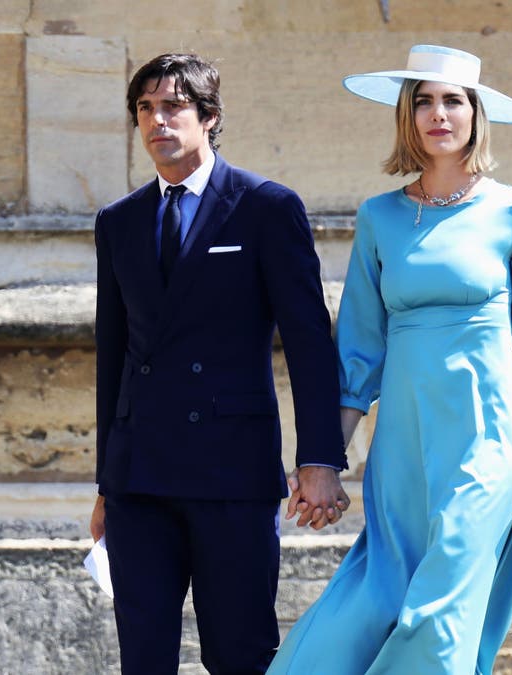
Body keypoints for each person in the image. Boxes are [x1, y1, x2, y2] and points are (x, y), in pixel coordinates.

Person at [269, 45, 512, 674]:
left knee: (443, 601)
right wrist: (323, 463)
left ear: (476, 114)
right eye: (423, 101)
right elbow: (359, 354)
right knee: (381, 593)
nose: (437, 113)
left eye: (453, 101)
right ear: (406, 115)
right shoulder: (380, 217)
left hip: (491, 432)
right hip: (406, 441)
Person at [89, 52, 351, 674]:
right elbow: (113, 357)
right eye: (146, 109)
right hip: (139, 479)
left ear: (208, 117)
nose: (158, 121)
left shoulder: (265, 206)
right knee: (143, 661)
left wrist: (318, 460)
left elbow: (309, 339)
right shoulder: (118, 223)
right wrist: (106, 482)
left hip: (231, 474)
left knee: (240, 655)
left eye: (174, 106)